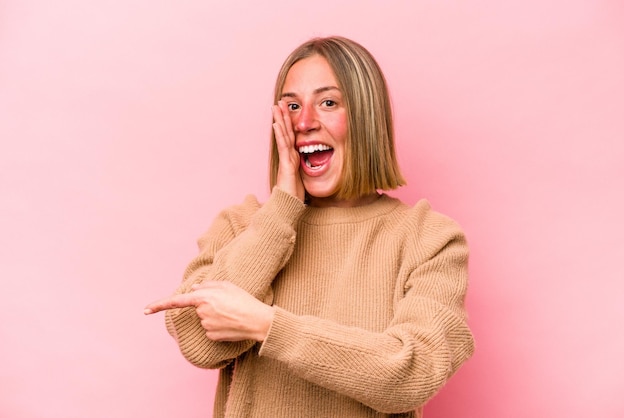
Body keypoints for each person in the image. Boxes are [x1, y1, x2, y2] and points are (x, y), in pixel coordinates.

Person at [144, 36, 474, 418]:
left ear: (366, 118)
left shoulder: (429, 238)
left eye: (328, 103)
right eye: (293, 106)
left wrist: (266, 325)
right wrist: (282, 208)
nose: (304, 122)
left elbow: (413, 372)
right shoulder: (242, 225)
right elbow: (199, 344)